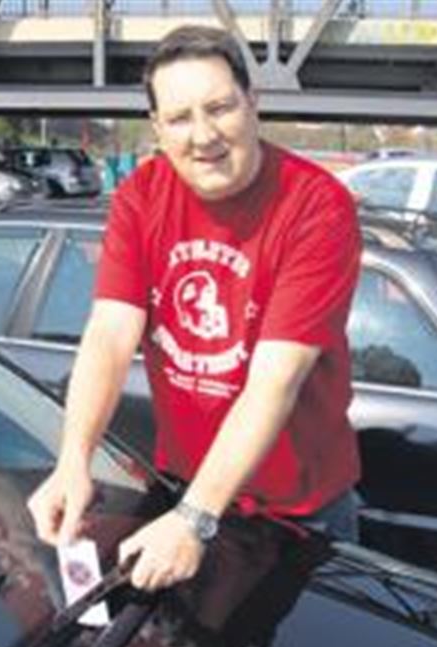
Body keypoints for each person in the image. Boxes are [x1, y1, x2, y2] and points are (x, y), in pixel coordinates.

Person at [26, 24, 363, 592]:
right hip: (187, 489)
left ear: (253, 105)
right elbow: (110, 334)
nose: (204, 135)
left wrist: (194, 518)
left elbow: (275, 379)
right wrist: (73, 461)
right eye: (180, 118)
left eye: (220, 108)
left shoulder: (316, 206)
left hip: (299, 511)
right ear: (157, 129)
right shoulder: (141, 196)